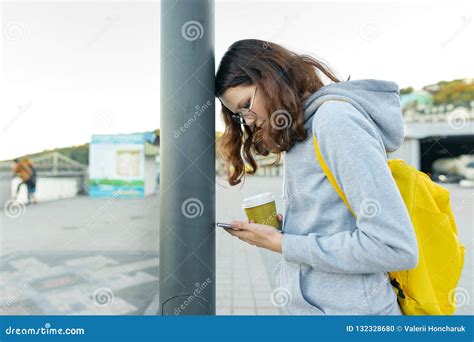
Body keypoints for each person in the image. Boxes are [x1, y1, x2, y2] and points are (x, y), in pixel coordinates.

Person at [215, 39, 418, 315]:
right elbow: (337, 223)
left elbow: (393, 246)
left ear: (272, 77)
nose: (248, 121)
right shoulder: (302, 131)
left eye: (247, 104)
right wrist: (287, 229)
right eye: (240, 115)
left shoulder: (335, 122)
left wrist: (283, 243)